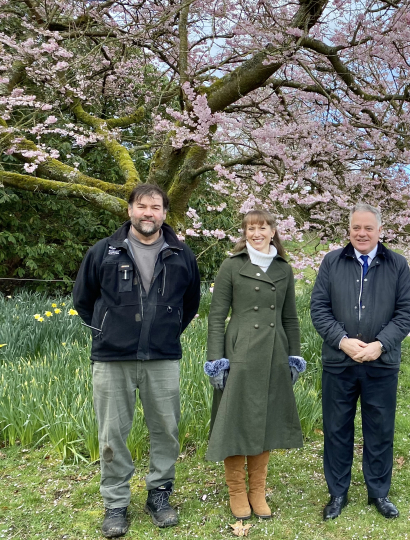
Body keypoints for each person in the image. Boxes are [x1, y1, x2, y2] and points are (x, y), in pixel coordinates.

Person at [72, 184, 201, 538]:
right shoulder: (104, 252)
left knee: (166, 429)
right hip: (113, 358)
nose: (148, 213)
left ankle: (159, 494)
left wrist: (167, 330)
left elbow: (190, 304)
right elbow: (83, 299)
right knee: (112, 433)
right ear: (130, 210)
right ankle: (115, 504)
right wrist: (107, 331)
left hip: (162, 357)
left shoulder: (181, 254)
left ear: (164, 213)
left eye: (155, 207)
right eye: (142, 206)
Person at [310, 202, 410, 520]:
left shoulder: (397, 265)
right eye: (356, 227)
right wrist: (342, 341)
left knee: (380, 428)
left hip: (380, 365)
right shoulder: (331, 262)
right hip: (339, 363)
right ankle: (338, 493)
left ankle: (379, 493)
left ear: (380, 231)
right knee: (336, 429)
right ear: (349, 229)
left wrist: (381, 345)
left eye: (368, 228)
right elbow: (319, 308)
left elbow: (407, 311)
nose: (362, 233)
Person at [204, 209, 305, 521]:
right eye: (250, 228)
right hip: (239, 352)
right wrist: (216, 360)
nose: (256, 233)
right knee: (235, 419)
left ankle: (257, 491)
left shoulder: (283, 269)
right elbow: (217, 315)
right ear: (244, 232)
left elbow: (290, 317)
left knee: (266, 420)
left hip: (274, 354)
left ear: (273, 231)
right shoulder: (232, 266)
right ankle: (237, 491)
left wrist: (294, 356)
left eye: (262, 227)